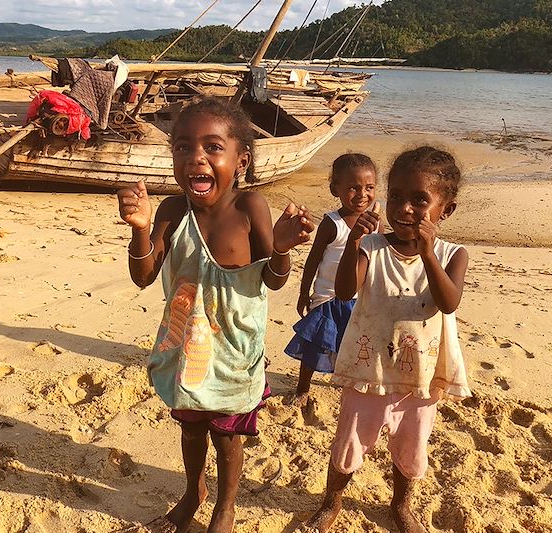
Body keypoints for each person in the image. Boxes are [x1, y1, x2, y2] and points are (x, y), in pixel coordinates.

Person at [117, 96, 314, 532]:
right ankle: (193, 493)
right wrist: (141, 230)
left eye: (212, 147)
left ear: (241, 160)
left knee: (227, 434)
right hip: (186, 347)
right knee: (190, 428)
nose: (196, 159)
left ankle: (224, 506)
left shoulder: (250, 209)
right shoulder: (171, 210)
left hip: (233, 349)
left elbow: (274, 279)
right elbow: (143, 276)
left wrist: (281, 248)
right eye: (183, 147)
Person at [304, 146, 471, 533]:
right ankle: (331, 501)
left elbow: (448, 302)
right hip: (370, 367)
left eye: (420, 200)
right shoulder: (373, 247)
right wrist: (351, 245)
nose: (405, 208)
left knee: (411, 448)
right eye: (396, 196)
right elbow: (346, 291)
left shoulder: (451, 255)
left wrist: (428, 254)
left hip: (420, 376)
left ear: (446, 210)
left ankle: (401, 505)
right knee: (349, 443)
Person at [284, 153, 378, 406]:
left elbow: (374, 262)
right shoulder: (332, 223)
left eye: (369, 188)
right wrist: (304, 293)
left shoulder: (374, 223)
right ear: (335, 189)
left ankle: (350, 383)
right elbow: (313, 260)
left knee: (354, 344)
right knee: (315, 343)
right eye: (353, 188)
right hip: (327, 297)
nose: (362, 195)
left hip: (358, 299)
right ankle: (303, 388)